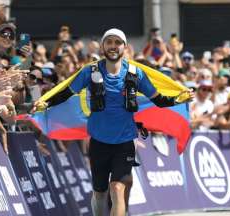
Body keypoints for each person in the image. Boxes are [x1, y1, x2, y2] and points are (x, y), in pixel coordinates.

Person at [33, 28, 194, 216]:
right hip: (99, 142)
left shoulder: (136, 74)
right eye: (109, 42)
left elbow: (158, 99)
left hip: (125, 142)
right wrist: (46, 102)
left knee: (118, 188)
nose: (113, 46)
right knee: (100, 194)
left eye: (118, 42)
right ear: (103, 46)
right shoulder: (90, 71)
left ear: (124, 47)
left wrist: (177, 100)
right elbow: (66, 92)